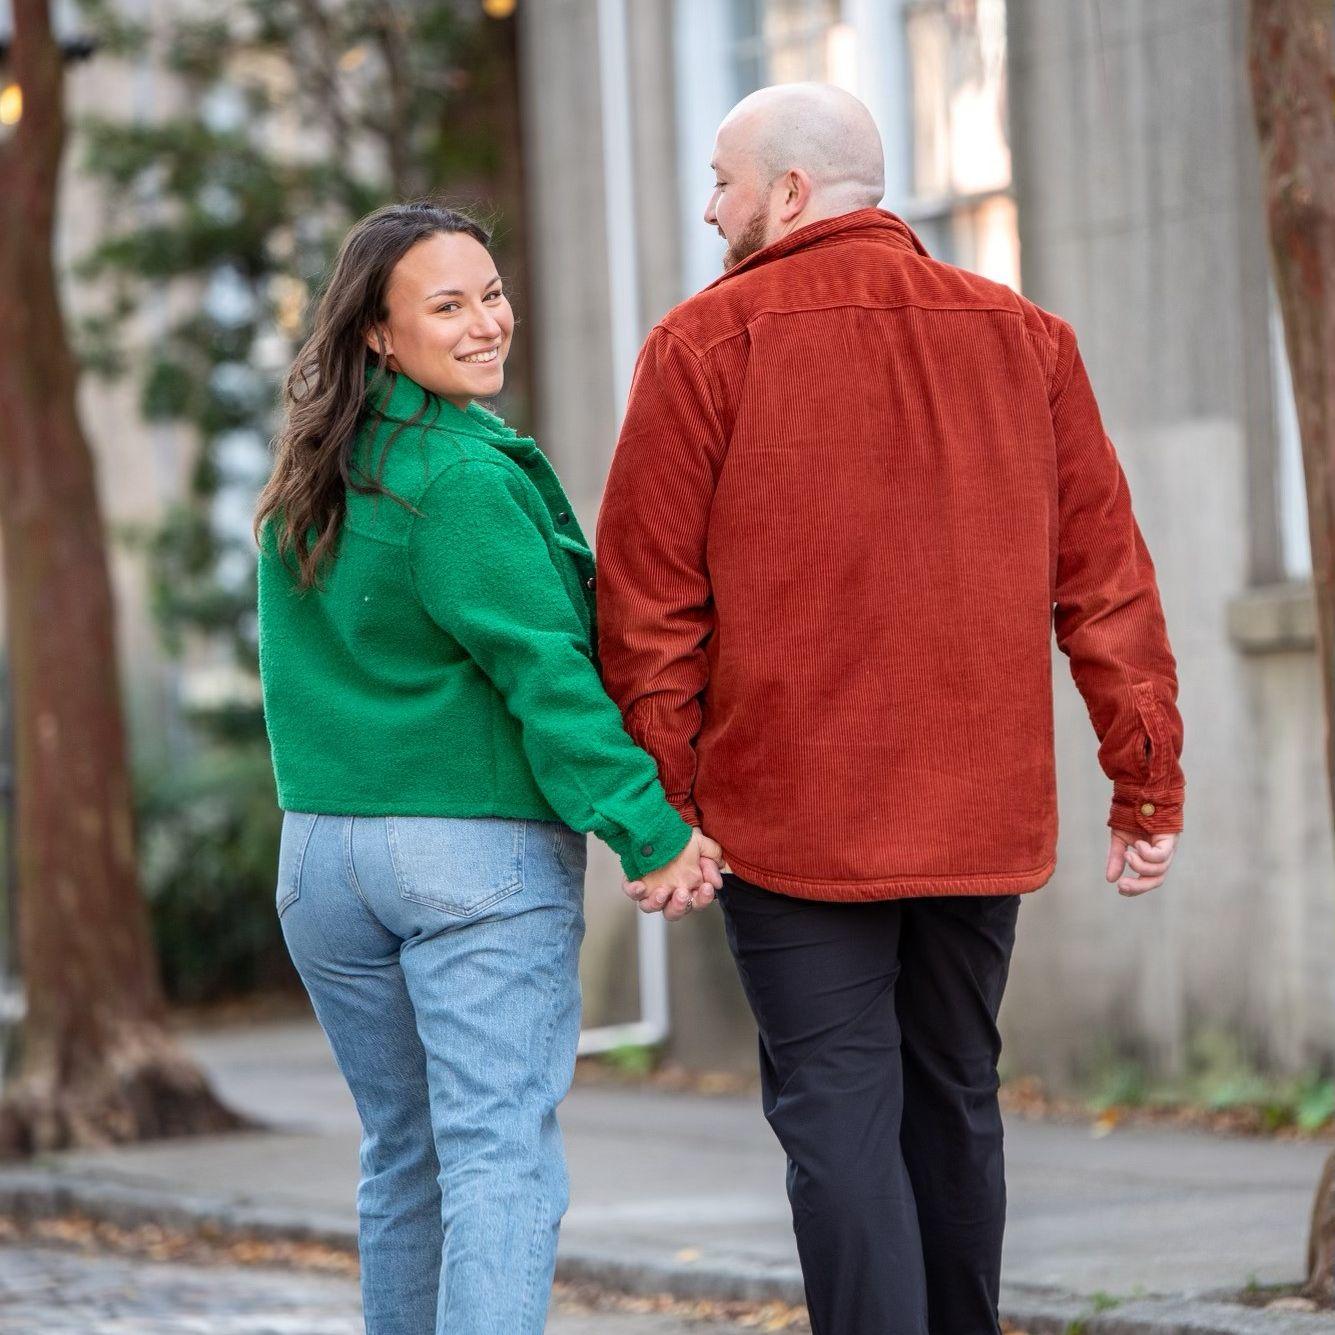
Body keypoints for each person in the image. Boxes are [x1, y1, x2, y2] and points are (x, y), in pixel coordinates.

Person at [596, 84, 1184, 1334]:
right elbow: (1108, 582)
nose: (710, 211)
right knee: (955, 1096)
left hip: (793, 820)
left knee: (838, 1112)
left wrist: (663, 808)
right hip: (977, 812)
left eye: (722, 183)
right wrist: (1144, 779)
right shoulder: (1030, 340)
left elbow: (649, 610)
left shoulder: (701, 347)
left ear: (792, 193)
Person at [253, 200, 722, 1335]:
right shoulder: (459, 476)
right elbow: (545, 675)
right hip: (463, 858)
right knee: (497, 1164)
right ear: (377, 331)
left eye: (493, 294)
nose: (486, 324)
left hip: (323, 861)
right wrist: (647, 831)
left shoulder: (314, 475)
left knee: (404, 1160)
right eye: (448, 305)